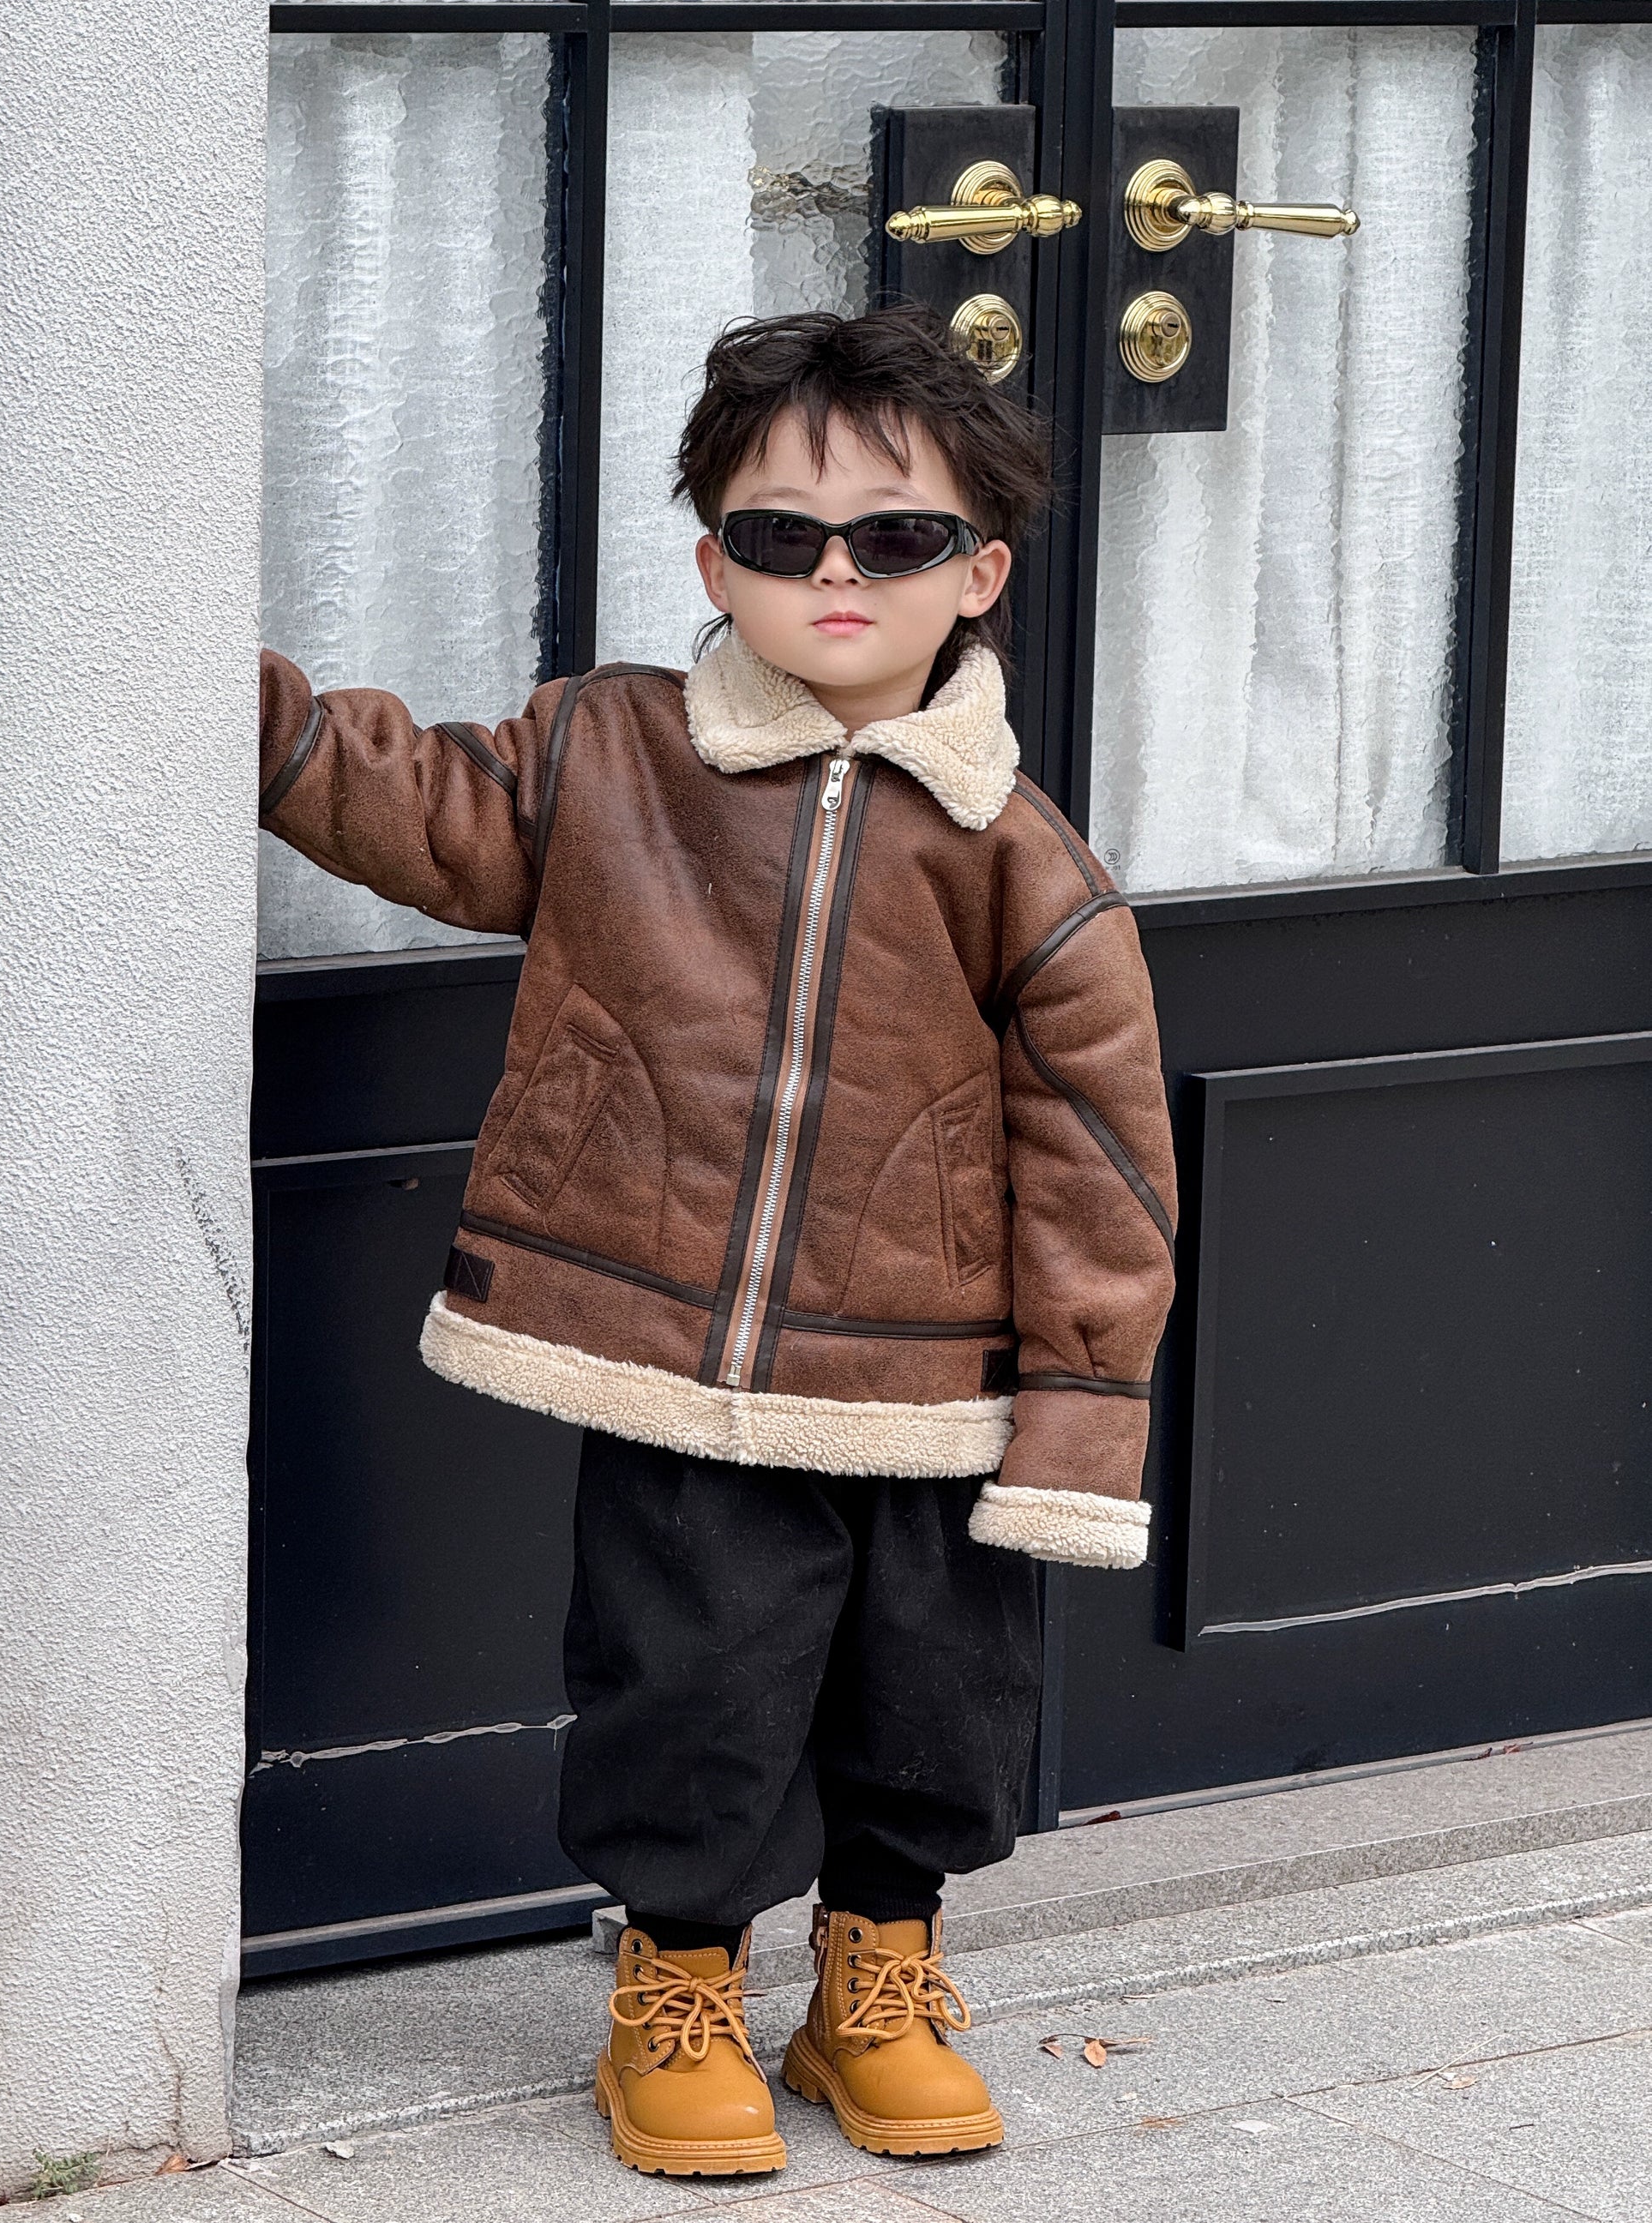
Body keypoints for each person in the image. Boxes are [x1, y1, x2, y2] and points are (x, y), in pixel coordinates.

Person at [256, 304, 1177, 2178]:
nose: (835, 572)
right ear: (713, 561)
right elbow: (413, 804)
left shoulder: (1021, 853)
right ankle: (675, 1982)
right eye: (781, 534)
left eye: (893, 536)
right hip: (675, 1367)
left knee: (933, 1698)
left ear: (978, 571)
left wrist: (1080, 1421)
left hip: (931, 1381)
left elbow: (1101, 1158)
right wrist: (238, 705)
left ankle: (878, 1973)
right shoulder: (608, 757)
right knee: (687, 1682)